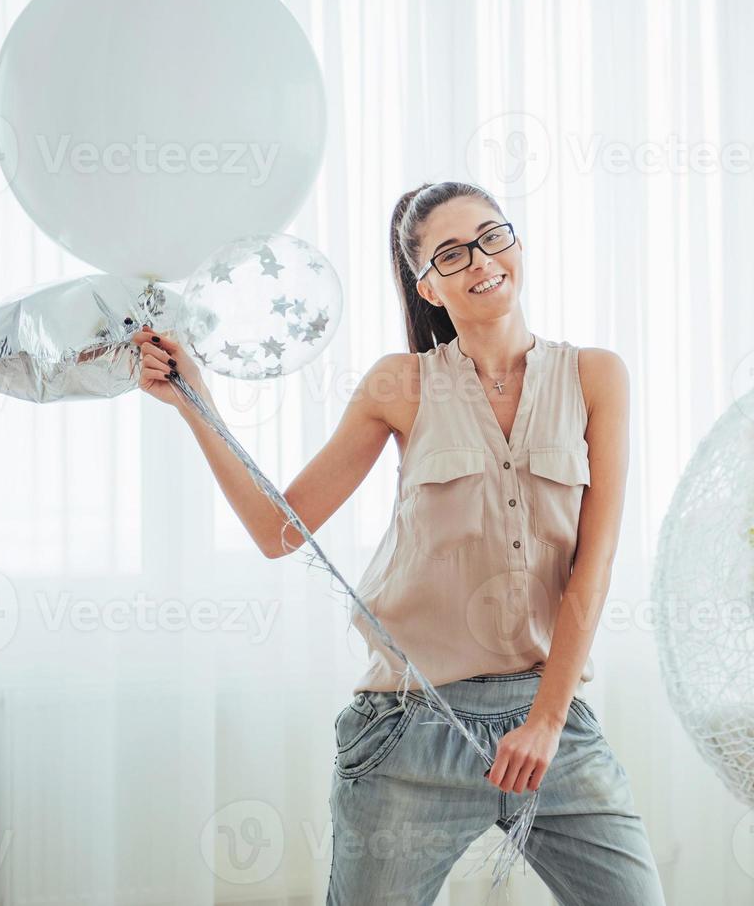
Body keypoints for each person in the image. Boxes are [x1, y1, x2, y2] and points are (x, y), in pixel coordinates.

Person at [134, 180, 666, 905]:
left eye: (492, 236)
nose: (482, 260)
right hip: (411, 731)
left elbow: (592, 568)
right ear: (428, 287)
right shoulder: (399, 386)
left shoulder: (596, 375)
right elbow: (278, 531)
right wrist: (195, 402)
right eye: (452, 253)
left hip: (552, 726)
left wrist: (544, 720)